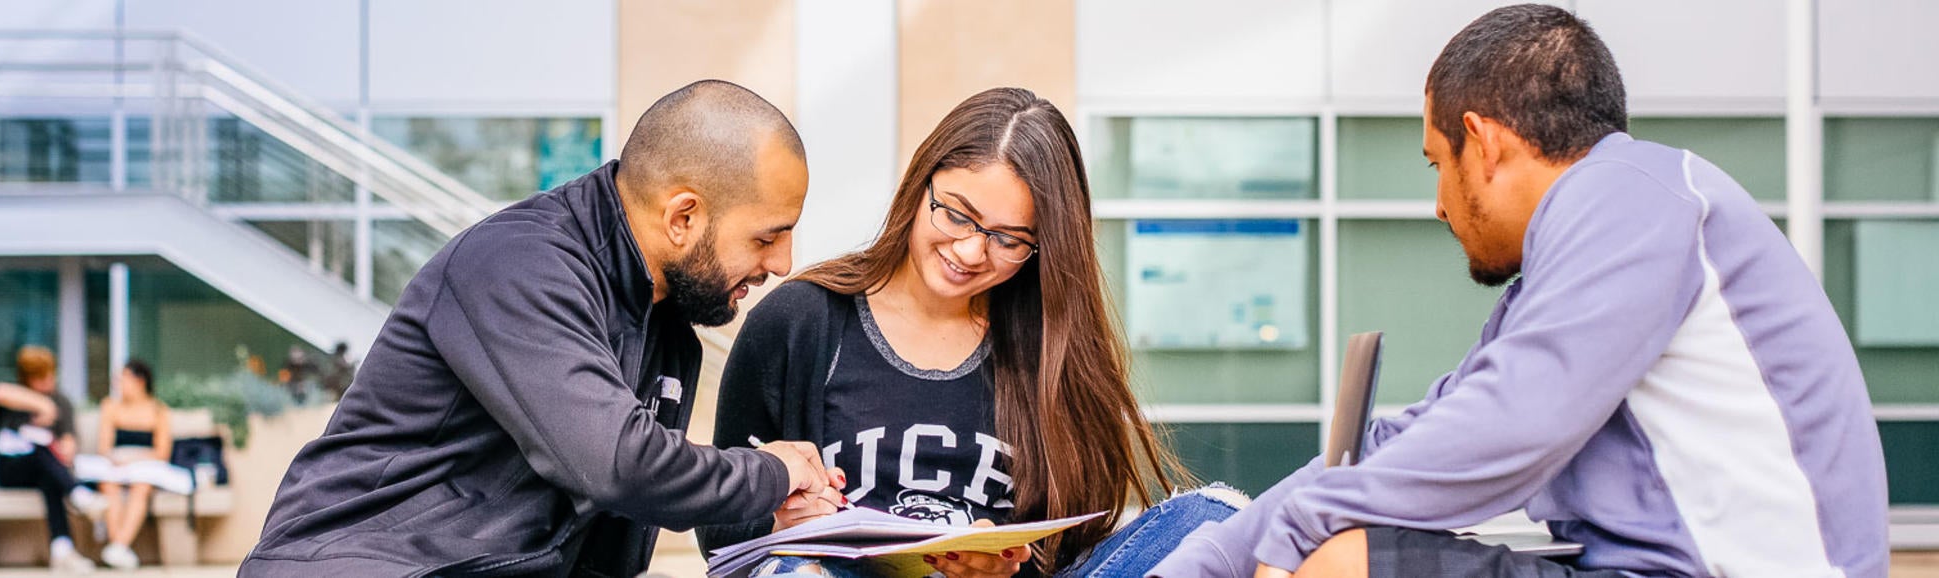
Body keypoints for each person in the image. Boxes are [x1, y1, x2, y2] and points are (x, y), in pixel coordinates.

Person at [1149, 5, 1888, 577]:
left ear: (1487, 142)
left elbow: (1511, 431)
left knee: (1348, 559)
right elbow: (1412, 439)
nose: (1439, 203)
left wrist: (1305, 525)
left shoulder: (1633, 199)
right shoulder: (1587, 251)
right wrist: (1211, 559)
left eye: (1438, 162)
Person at [241, 80, 843, 577]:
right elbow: (617, 464)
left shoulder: (666, 329)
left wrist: (778, 517)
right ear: (683, 216)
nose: (782, 265)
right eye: (766, 237)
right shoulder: (521, 263)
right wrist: (775, 471)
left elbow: (616, 534)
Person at [699, 88, 1241, 578]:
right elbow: (719, 529)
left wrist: (1001, 572)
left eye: (1010, 240)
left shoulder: (1051, 351)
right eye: (958, 215)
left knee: (1215, 517)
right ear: (920, 185)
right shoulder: (801, 322)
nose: (970, 252)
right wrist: (777, 518)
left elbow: (1073, 550)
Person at [0, 345, 107, 573]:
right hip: (12, 471)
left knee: (49, 475)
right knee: (36, 448)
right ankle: (79, 495)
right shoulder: (14, 397)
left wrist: (64, 448)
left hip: (47, 472)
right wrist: (42, 404)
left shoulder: (62, 401)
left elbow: (69, 442)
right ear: (27, 378)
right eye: (41, 377)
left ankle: (62, 550)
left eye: (51, 374)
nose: (49, 380)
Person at [92, 360, 170, 571]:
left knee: (141, 487)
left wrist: (135, 458)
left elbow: (162, 452)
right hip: (116, 467)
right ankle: (119, 549)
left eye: (123, 379)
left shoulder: (158, 410)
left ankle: (117, 546)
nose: (118, 384)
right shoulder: (110, 406)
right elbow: (103, 446)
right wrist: (116, 459)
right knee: (108, 485)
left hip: (145, 468)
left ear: (140, 381)